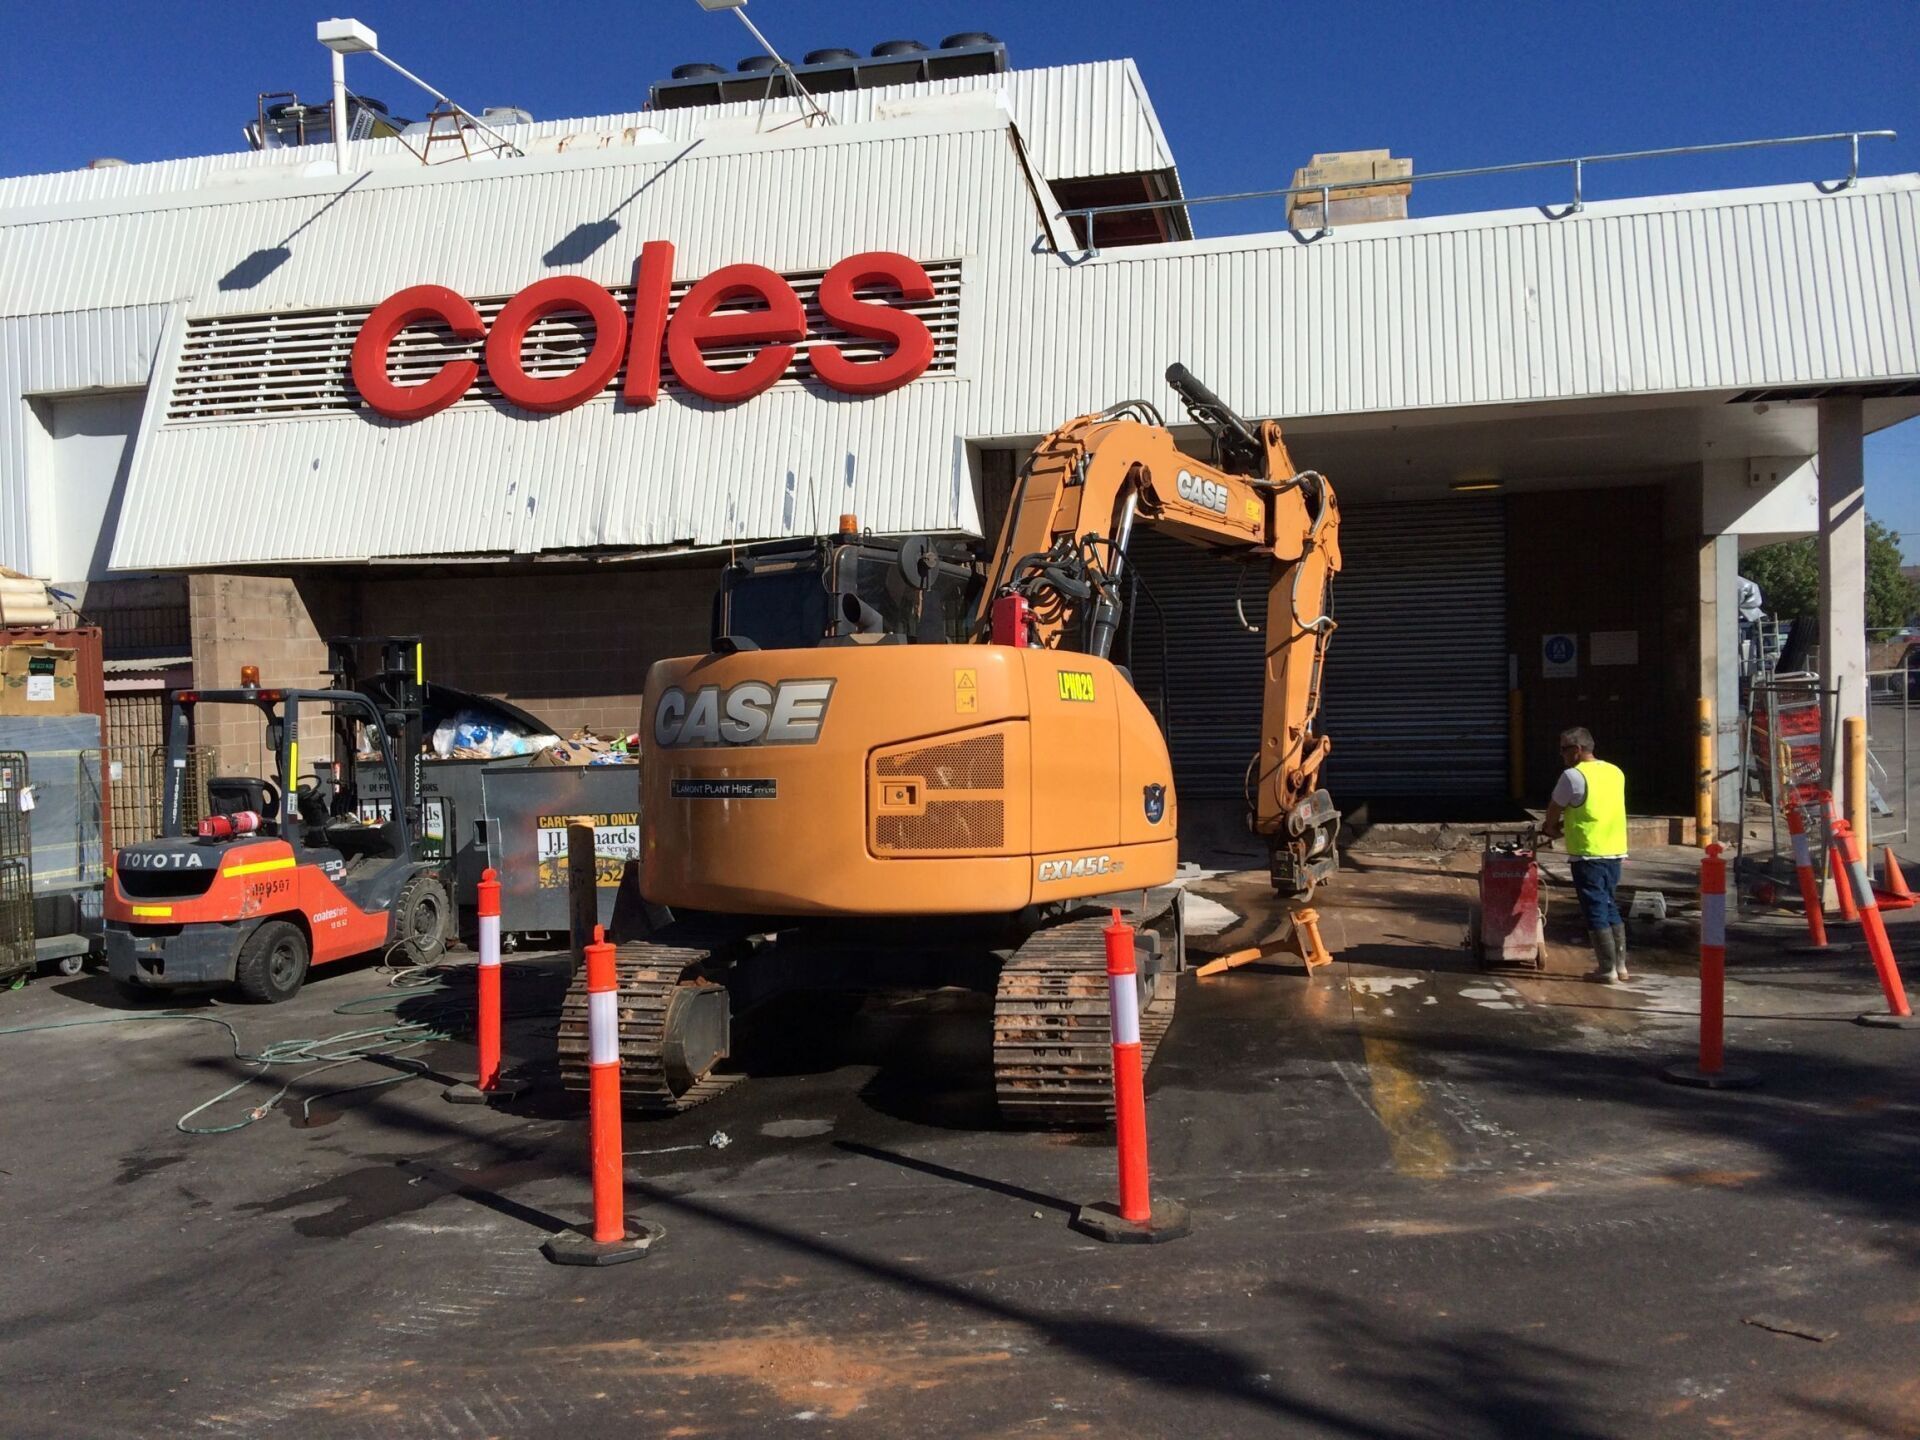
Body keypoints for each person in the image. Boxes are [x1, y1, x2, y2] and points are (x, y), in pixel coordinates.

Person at [1542, 727, 1630, 983]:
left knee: (1594, 909)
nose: (1561, 756)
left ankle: (1606, 970)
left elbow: (1554, 809)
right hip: (1614, 850)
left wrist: (1550, 829)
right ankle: (1620, 967)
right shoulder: (1615, 771)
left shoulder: (1573, 776)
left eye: (1564, 750)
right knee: (1610, 904)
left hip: (1588, 853)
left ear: (1577, 751)